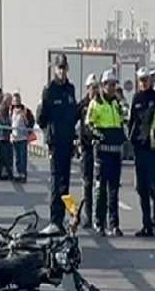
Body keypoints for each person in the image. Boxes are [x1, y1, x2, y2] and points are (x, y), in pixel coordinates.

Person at [37, 54, 78, 232]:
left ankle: (64, 219)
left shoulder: (70, 89)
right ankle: (54, 219)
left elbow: (73, 115)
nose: (62, 71)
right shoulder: (49, 89)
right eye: (59, 68)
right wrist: (49, 132)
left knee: (65, 183)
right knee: (55, 181)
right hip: (55, 141)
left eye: (64, 68)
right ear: (55, 69)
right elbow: (41, 118)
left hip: (67, 141)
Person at [128, 68, 155, 237]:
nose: (144, 82)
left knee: (154, 188)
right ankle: (146, 225)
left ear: (150, 80)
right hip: (140, 149)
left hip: (153, 149)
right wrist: (132, 138)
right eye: (141, 80)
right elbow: (132, 121)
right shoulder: (136, 99)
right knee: (142, 189)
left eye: (146, 79)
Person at [88, 70, 127, 237]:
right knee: (101, 189)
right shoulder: (96, 103)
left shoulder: (117, 103)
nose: (112, 87)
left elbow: (123, 122)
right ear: (103, 85)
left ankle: (114, 224)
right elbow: (89, 125)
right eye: (109, 84)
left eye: (114, 84)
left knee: (114, 191)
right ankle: (99, 222)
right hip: (102, 153)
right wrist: (99, 135)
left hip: (115, 152)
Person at [75, 73, 100, 228]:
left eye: (96, 87)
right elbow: (72, 121)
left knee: (100, 185)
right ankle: (87, 216)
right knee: (87, 184)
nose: (95, 90)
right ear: (87, 88)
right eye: (92, 87)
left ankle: (99, 218)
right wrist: (74, 138)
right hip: (86, 149)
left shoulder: (101, 104)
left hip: (100, 149)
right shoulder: (82, 105)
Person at [10, 92, 34, 183]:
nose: (16, 102)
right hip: (14, 137)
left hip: (23, 138)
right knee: (17, 157)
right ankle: (18, 173)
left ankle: (23, 174)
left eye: (17, 100)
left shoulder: (25, 110)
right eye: (14, 100)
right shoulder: (11, 110)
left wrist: (29, 131)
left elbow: (31, 120)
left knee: (23, 157)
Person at [0, 93, 13, 180]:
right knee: (4, 156)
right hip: (2, 136)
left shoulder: (4, 107)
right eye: (10, 100)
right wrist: (10, 124)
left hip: (3, 135)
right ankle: (7, 174)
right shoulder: (3, 108)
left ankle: (2, 174)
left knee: (3, 157)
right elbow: (4, 121)